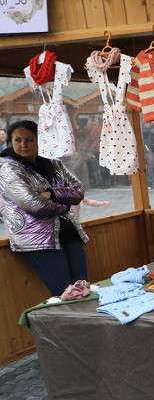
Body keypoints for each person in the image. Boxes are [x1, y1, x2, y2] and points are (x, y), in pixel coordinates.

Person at [0, 120, 89, 296]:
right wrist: (65, 206)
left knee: (83, 287)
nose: (23, 145)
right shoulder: (7, 167)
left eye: (29, 140)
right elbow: (33, 204)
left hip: (69, 232)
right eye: (18, 140)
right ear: (10, 142)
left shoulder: (53, 163)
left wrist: (51, 194)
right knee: (64, 292)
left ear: (39, 140)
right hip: (37, 238)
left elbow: (79, 191)